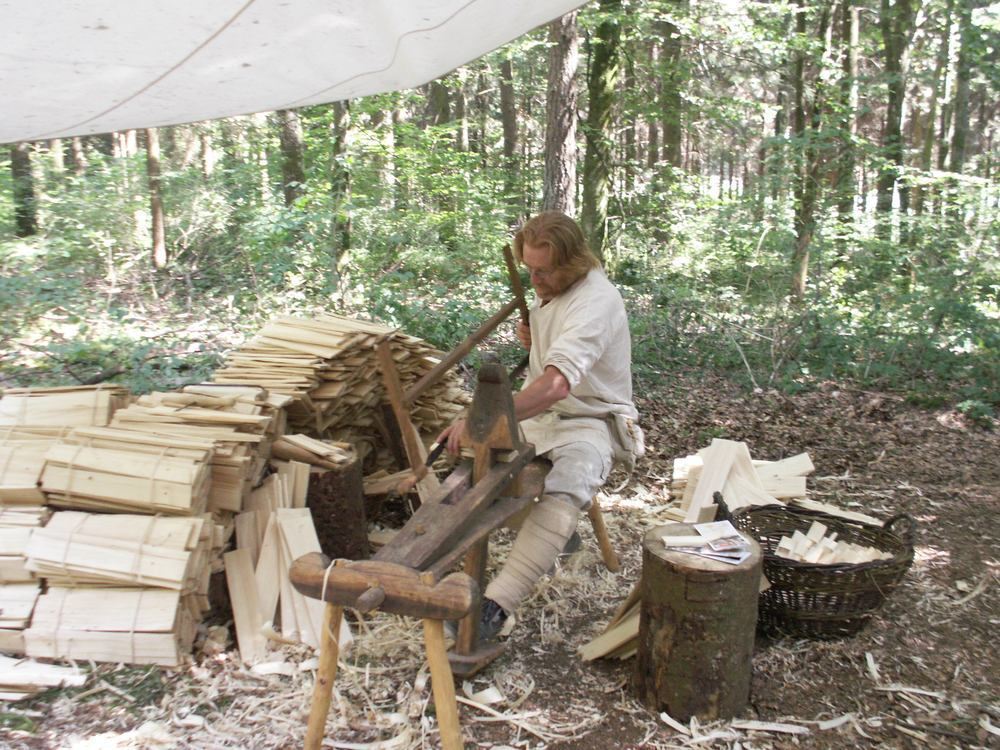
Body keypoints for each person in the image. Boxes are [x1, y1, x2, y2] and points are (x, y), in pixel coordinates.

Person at [438, 211, 642, 641]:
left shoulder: (597, 302)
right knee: (465, 466)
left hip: (590, 419)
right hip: (544, 418)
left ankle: (496, 605)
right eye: (529, 269)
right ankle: (549, 537)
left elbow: (554, 385)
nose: (534, 280)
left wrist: (486, 418)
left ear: (572, 264)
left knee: (568, 483)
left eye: (543, 271)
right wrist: (534, 339)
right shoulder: (554, 290)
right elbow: (549, 360)